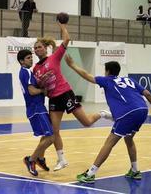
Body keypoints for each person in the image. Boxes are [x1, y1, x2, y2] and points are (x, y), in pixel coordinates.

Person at [64, 56, 151, 183]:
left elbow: (86, 75)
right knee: (129, 138)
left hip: (127, 113)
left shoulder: (107, 80)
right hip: (142, 110)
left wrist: (72, 65)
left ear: (107, 72)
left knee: (109, 143)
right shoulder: (129, 80)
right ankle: (135, 170)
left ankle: (90, 174)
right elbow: (148, 94)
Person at [33, 22, 111, 171]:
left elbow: (67, 39)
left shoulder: (54, 57)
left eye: (39, 47)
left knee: (86, 122)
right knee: (53, 131)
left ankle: (102, 114)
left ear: (45, 48)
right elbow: (41, 86)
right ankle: (61, 159)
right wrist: (42, 84)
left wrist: (62, 26)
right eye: (35, 48)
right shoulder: (35, 68)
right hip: (53, 98)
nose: (37, 49)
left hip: (65, 93)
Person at [17, 49, 54, 176]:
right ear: (21, 61)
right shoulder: (26, 72)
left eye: (31, 57)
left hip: (38, 107)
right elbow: (32, 91)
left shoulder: (27, 72)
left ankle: (40, 158)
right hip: (36, 108)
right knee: (51, 137)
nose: (31, 59)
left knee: (46, 134)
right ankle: (31, 159)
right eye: (28, 58)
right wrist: (43, 90)